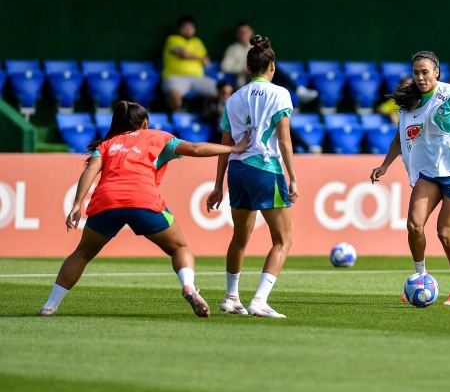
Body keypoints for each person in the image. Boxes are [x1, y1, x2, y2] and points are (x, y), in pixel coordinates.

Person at [37, 101, 251, 318]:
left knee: (82, 254)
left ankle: (50, 306)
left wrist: (76, 204)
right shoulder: (158, 137)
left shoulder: (108, 144)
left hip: (106, 200)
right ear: (145, 122)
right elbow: (196, 148)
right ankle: (188, 287)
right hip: (143, 199)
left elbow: (91, 170)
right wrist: (233, 148)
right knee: (179, 247)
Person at [370, 51, 450, 307]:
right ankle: (420, 276)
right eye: (416, 72)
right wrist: (385, 165)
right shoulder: (409, 103)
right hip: (429, 172)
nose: (420, 77)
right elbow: (400, 138)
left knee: (444, 233)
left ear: (436, 72)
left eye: (425, 71)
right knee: (414, 226)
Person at [206, 35, 299, 319]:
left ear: (248, 67)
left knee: (239, 238)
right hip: (265, 168)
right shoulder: (280, 93)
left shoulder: (233, 98)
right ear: (272, 65)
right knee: (283, 241)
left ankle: (231, 297)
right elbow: (284, 140)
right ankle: (259, 299)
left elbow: (225, 144)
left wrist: (217, 185)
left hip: (237, 170)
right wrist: (292, 176)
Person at [220, 21, 318, 105]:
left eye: (246, 32)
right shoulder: (233, 49)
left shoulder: (257, 48)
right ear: (237, 34)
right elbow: (225, 66)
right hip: (246, 80)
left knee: (277, 77)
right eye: (241, 33)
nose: (244, 35)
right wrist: (244, 68)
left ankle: (298, 90)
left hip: (264, 78)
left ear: (251, 32)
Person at [161, 15, 217, 112]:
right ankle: (177, 119)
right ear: (179, 29)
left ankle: (209, 115)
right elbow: (183, 54)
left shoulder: (197, 41)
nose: (188, 30)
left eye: (191, 27)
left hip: (198, 78)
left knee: (221, 92)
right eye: (185, 27)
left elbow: (206, 59)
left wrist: (203, 59)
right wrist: (200, 58)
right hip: (175, 77)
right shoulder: (173, 39)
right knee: (174, 95)